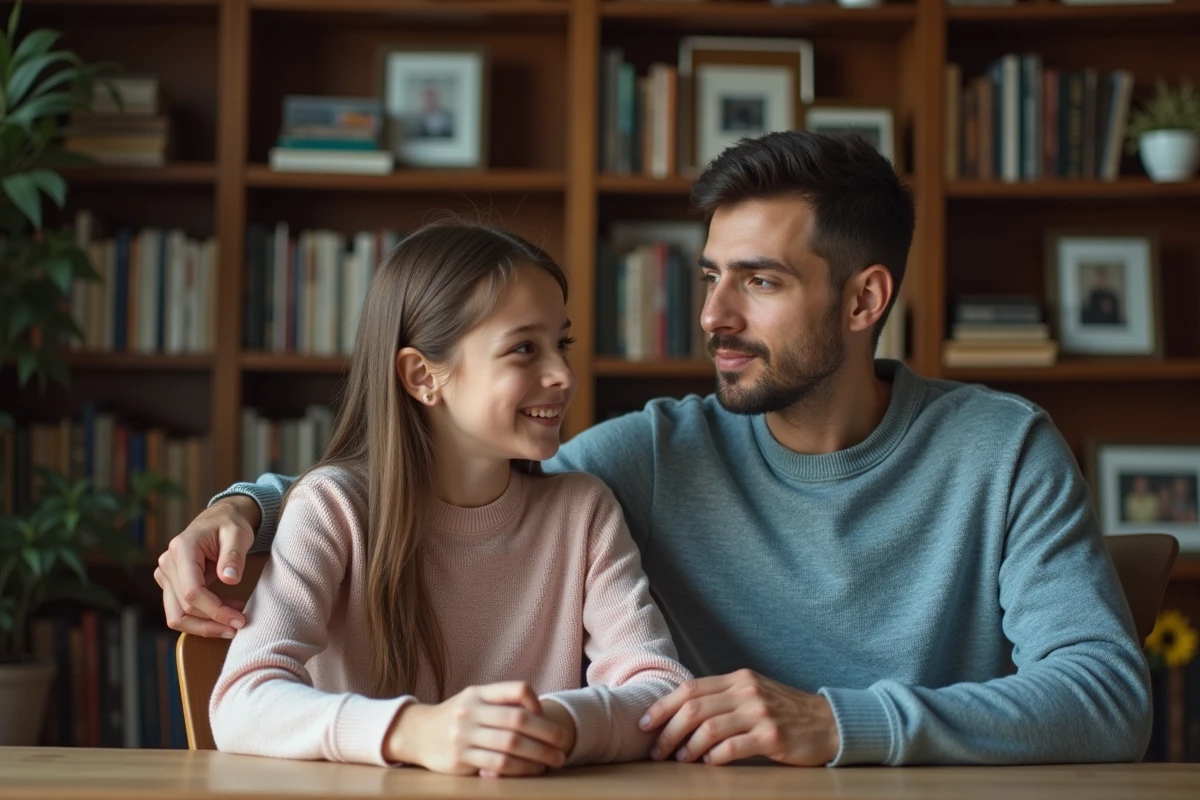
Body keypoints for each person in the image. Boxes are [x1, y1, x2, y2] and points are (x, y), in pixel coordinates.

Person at [158, 130, 1152, 767]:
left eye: (758, 282)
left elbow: (1107, 698)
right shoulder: (646, 455)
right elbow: (448, 473)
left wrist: (844, 722)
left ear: (864, 300)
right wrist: (249, 502)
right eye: (712, 273)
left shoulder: (1001, 447)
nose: (713, 313)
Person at [203, 221, 692, 773]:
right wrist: (412, 733)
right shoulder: (332, 508)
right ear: (421, 376)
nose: (562, 374)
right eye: (524, 349)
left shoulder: (583, 511)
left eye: (562, 344)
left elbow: (658, 691)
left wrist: (556, 726)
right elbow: (242, 702)